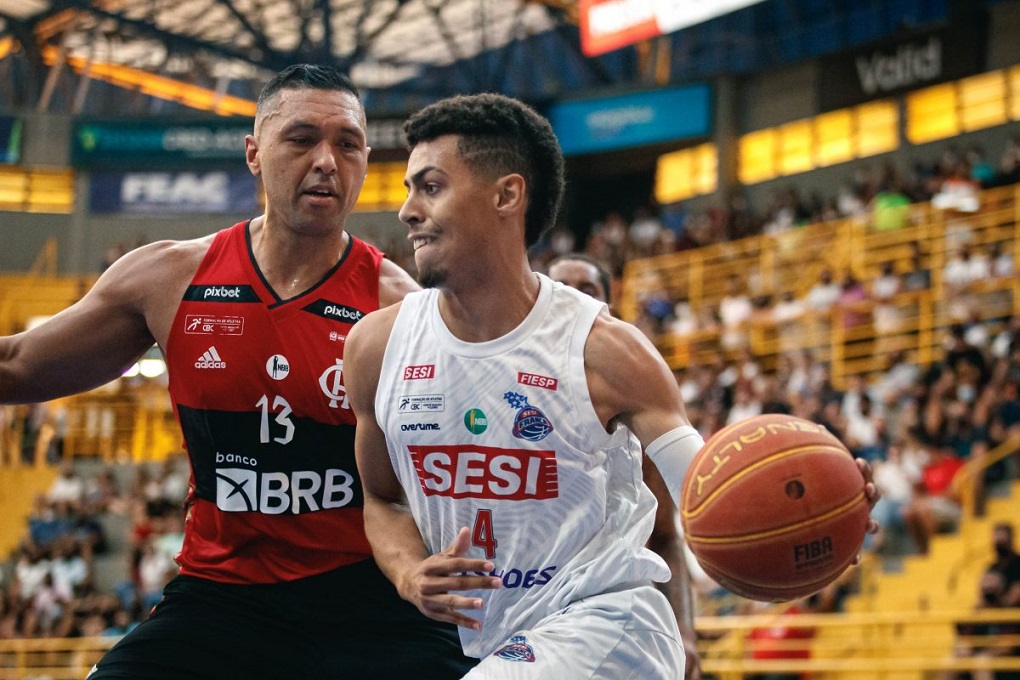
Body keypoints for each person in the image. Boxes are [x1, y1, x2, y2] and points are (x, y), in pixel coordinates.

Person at [343, 93, 881, 678]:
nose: (406, 211)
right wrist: (407, 572)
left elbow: (707, 498)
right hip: (495, 640)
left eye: (430, 186)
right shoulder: (376, 348)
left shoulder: (605, 350)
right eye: (407, 189)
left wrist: (817, 508)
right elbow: (382, 498)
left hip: (609, 621)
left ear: (507, 195)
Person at [0, 64, 475, 679]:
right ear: (254, 154)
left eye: (348, 144)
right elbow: (17, 365)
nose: (327, 161)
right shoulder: (168, 278)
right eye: (302, 139)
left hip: (371, 602)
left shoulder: (400, 306)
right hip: (219, 600)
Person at [547, 252, 702, 680]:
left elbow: (668, 537)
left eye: (587, 290)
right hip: (512, 615)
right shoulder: (500, 383)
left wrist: (684, 631)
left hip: (605, 619)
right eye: (561, 288)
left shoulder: (635, 400)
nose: (572, 299)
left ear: (606, 308)